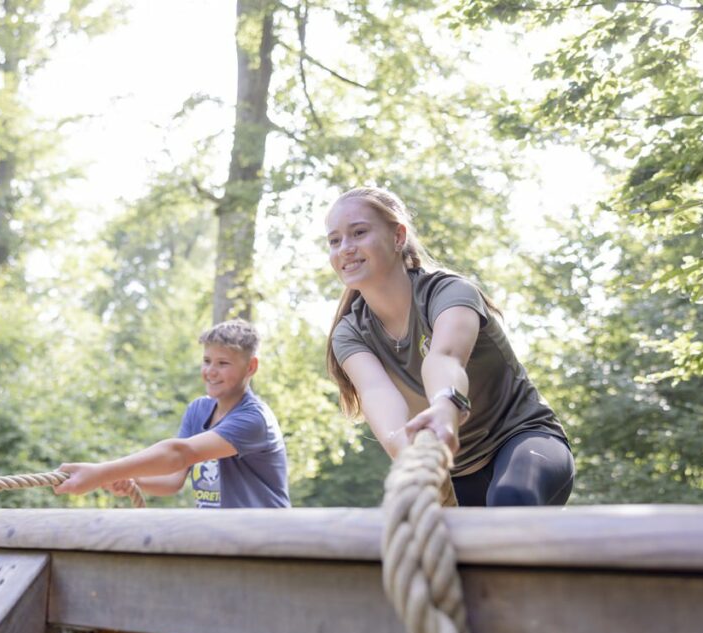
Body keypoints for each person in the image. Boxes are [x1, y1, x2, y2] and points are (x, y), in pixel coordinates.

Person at [325, 187, 574, 506]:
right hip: (453, 469)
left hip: (523, 441)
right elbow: (380, 399)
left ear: (398, 236)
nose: (345, 248)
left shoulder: (449, 293)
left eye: (358, 232)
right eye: (334, 240)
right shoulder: (349, 333)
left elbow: (445, 358)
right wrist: (415, 461)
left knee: (511, 498)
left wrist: (446, 406)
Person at [54, 319, 291, 508]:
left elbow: (179, 454)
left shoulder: (254, 419)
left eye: (223, 363)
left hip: (265, 538)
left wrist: (100, 471)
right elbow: (173, 479)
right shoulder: (198, 410)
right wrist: (132, 480)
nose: (211, 371)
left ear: (251, 367)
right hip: (220, 538)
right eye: (207, 360)